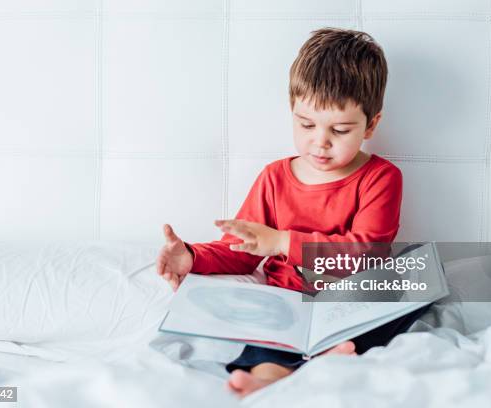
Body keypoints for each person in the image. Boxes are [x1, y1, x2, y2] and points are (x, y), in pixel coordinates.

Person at [156, 27, 428, 398]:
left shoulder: (381, 178)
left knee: (422, 272)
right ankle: (271, 375)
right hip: (288, 303)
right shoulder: (273, 177)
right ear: (292, 111)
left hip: (351, 300)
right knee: (268, 335)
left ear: (371, 125)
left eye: (341, 129)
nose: (320, 141)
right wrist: (190, 257)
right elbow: (239, 250)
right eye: (306, 124)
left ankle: (336, 352)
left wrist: (282, 241)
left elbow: (366, 255)